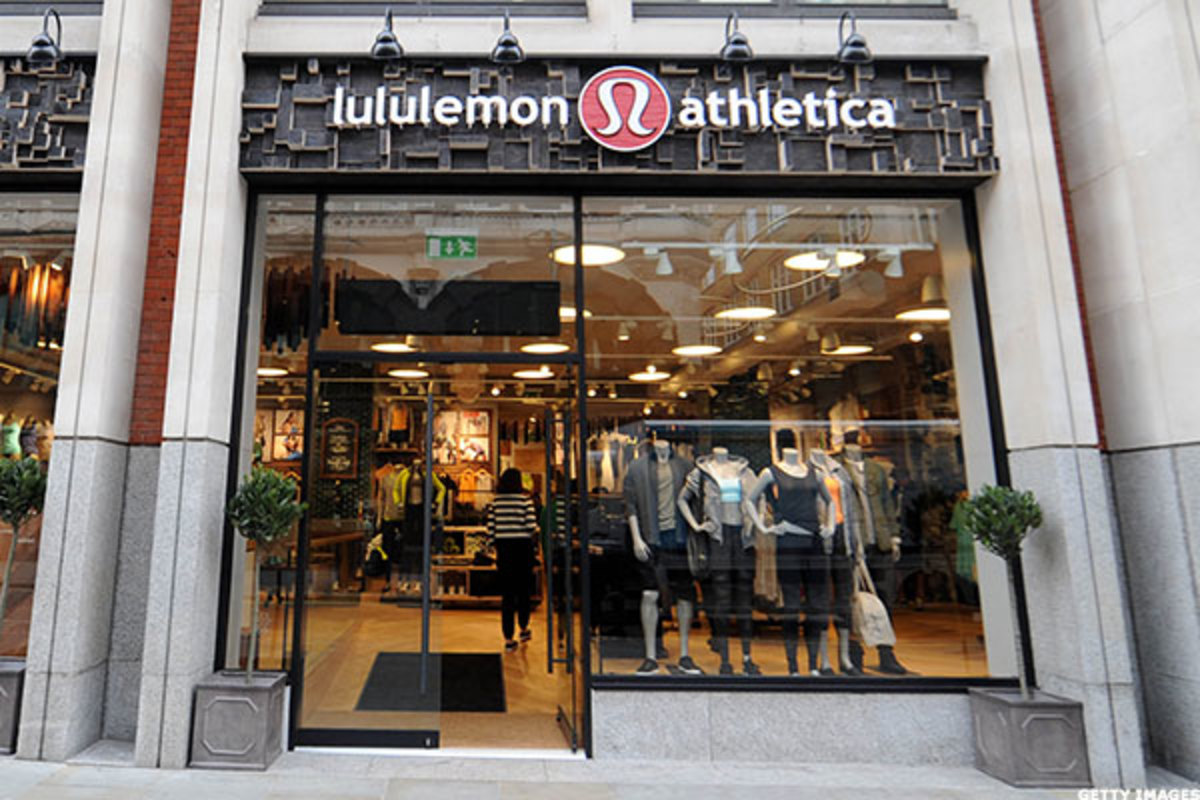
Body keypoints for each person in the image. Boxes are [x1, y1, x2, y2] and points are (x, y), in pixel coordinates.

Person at [486, 468, 539, 652]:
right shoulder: (525, 501)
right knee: (524, 592)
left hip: (504, 550)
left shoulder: (495, 503)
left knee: (507, 595)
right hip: (523, 550)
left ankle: (508, 638)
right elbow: (531, 527)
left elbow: (490, 530)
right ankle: (523, 628)